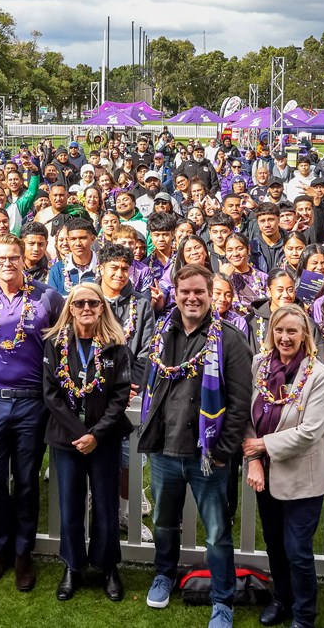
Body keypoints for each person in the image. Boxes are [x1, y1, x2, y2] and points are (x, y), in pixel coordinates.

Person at [138, 263, 253, 628]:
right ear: (175, 292)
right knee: (162, 521)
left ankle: (223, 599)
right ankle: (164, 574)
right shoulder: (161, 331)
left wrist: (222, 452)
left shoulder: (230, 339)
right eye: (185, 291)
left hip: (208, 456)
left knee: (217, 533)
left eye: (199, 292)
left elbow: (239, 403)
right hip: (164, 449)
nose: (191, 297)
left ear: (210, 295)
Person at [0, 234, 63, 591]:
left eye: (13, 257)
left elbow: (65, 340)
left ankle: (23, 553)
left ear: (25, 260)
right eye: (1, 258)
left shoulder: (47, 297)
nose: (7, 263)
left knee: (25, 481)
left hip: (31, 401)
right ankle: (2, 547)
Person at [41, 282, 133, 602]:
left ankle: (107, 566)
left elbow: (120, 396)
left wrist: (96, 434)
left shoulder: (116, 346)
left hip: (104, 439)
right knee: (71, 504)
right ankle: (72, 565)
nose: (86, 309)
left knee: (106, 506)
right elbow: (51, 394)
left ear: (102, 307)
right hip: (67, 439)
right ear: (70, 308)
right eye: (79, 303)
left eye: (93, 303)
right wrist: (80, 433)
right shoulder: (55, 344)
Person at [244, 304, 324, 628]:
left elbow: (311, 430)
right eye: (279, 330)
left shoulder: (319, 375)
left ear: (304, 335)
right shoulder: (258, 365)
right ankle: (282, 598)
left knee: (297, 549)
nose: (284, 337)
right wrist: (254, 460)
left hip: (302, 476)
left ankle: (304, 615)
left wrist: (264, 445)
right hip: (264, 474)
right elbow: (247, 417)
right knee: (274, 544)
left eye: (292, 331)